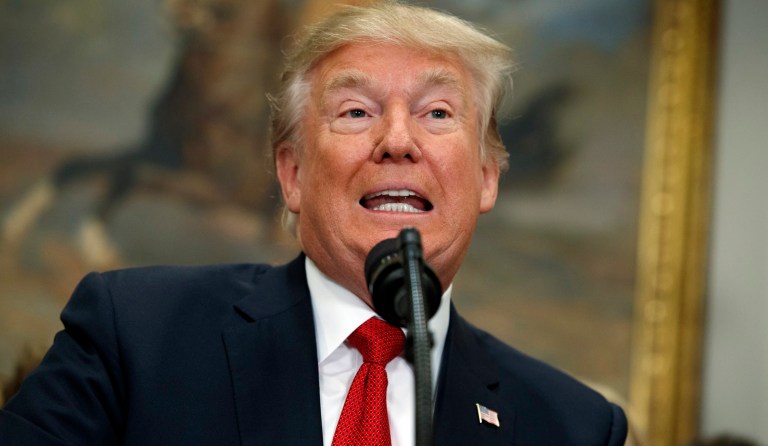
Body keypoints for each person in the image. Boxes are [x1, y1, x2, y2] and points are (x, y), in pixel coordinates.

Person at [0, 2, 628, 445]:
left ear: (487, 178)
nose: (398, 140)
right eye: (356, 111)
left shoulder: (572, 425)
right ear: (292, 173)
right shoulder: (133, 337)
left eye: (438, 112)